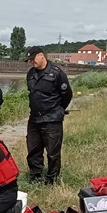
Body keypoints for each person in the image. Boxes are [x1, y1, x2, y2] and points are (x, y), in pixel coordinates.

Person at [25, 46, 73, 185]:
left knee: (53, 151)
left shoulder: (57, 73)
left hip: (51, 118)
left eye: (33, 59)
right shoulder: (30, 74)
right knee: (33, 149)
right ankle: (35, 176)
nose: (31, 62)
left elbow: (67, 95)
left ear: (41, 56)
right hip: (34, 118)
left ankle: (52, 179)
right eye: (29, 60)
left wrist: (57, 110)